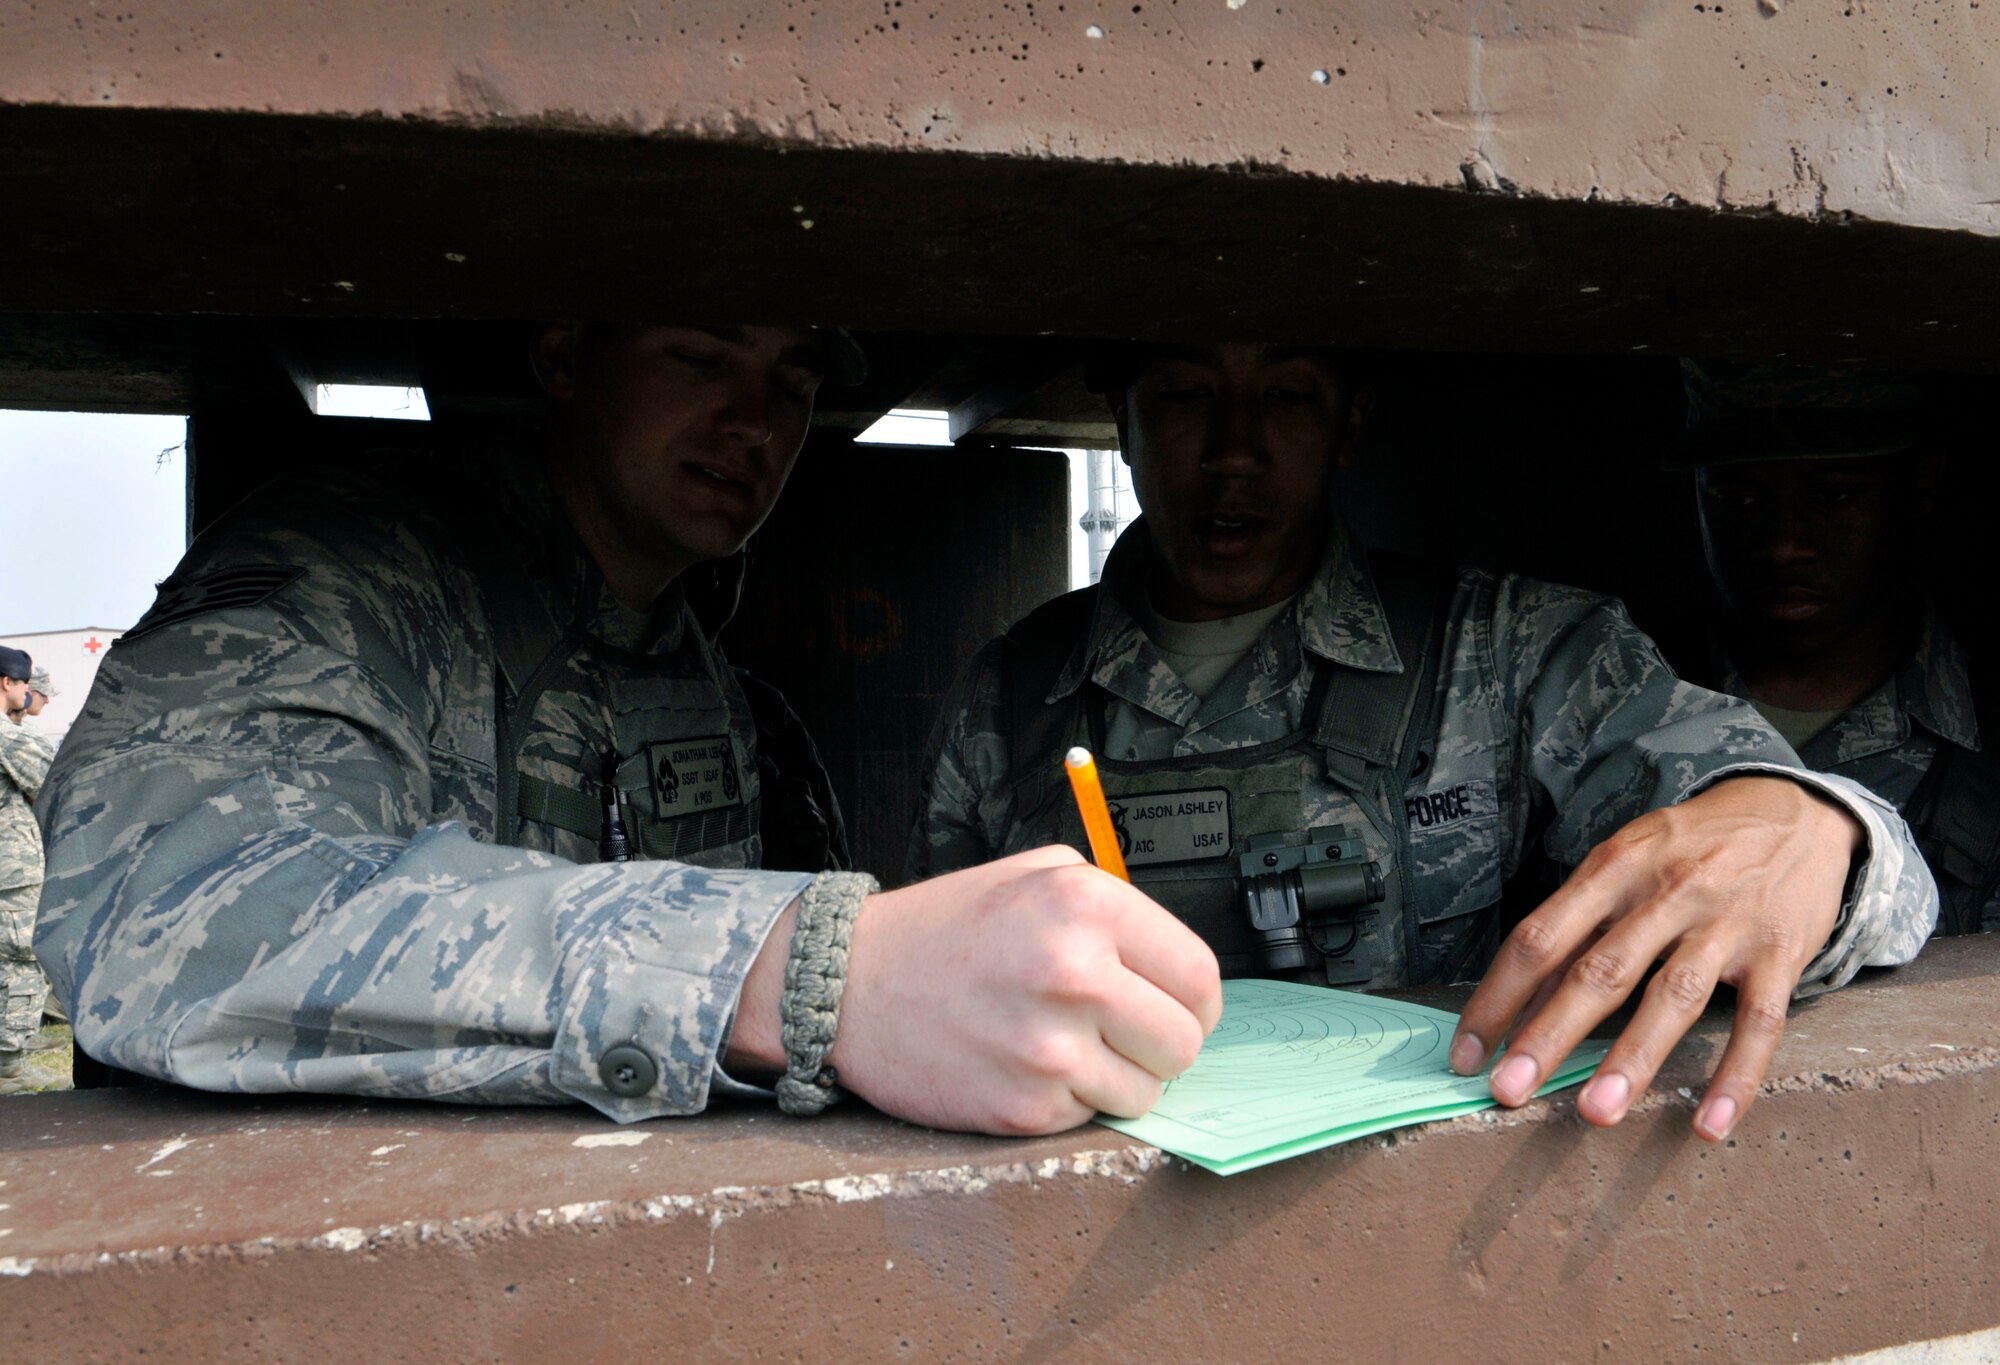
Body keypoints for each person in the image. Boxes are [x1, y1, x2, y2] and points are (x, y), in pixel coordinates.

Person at [36, 322, 1223, 1136]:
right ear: (566, 355)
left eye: (793, 379)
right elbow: (176, 912)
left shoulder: (700, 667)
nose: (753, 422)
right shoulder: (352, 569)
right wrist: (799, 973)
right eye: (701, 356)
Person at [909, 341, 1939, 1143]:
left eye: (1287, 397)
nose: (1233, 449)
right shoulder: (1009, 699)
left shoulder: (1513, 649)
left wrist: (1813, 831)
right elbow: (931, 1003)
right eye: (1182, 396)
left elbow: (1734, 796)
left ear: (1350, 422)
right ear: (1119, 420)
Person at [1656, 359, 1995, 934]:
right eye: (1736, 499)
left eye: (1833, 496)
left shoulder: (1980, 730)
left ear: (1920, 486)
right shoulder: (1611, 707)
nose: (1783, 545)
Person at [1, 645, 56, 1093]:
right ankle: (8, 1067)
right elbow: (50, 789)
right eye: (24, 683)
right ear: (7, 683)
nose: (27, 691)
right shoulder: (10, 738)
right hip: (11, 873)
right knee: (22, 960)